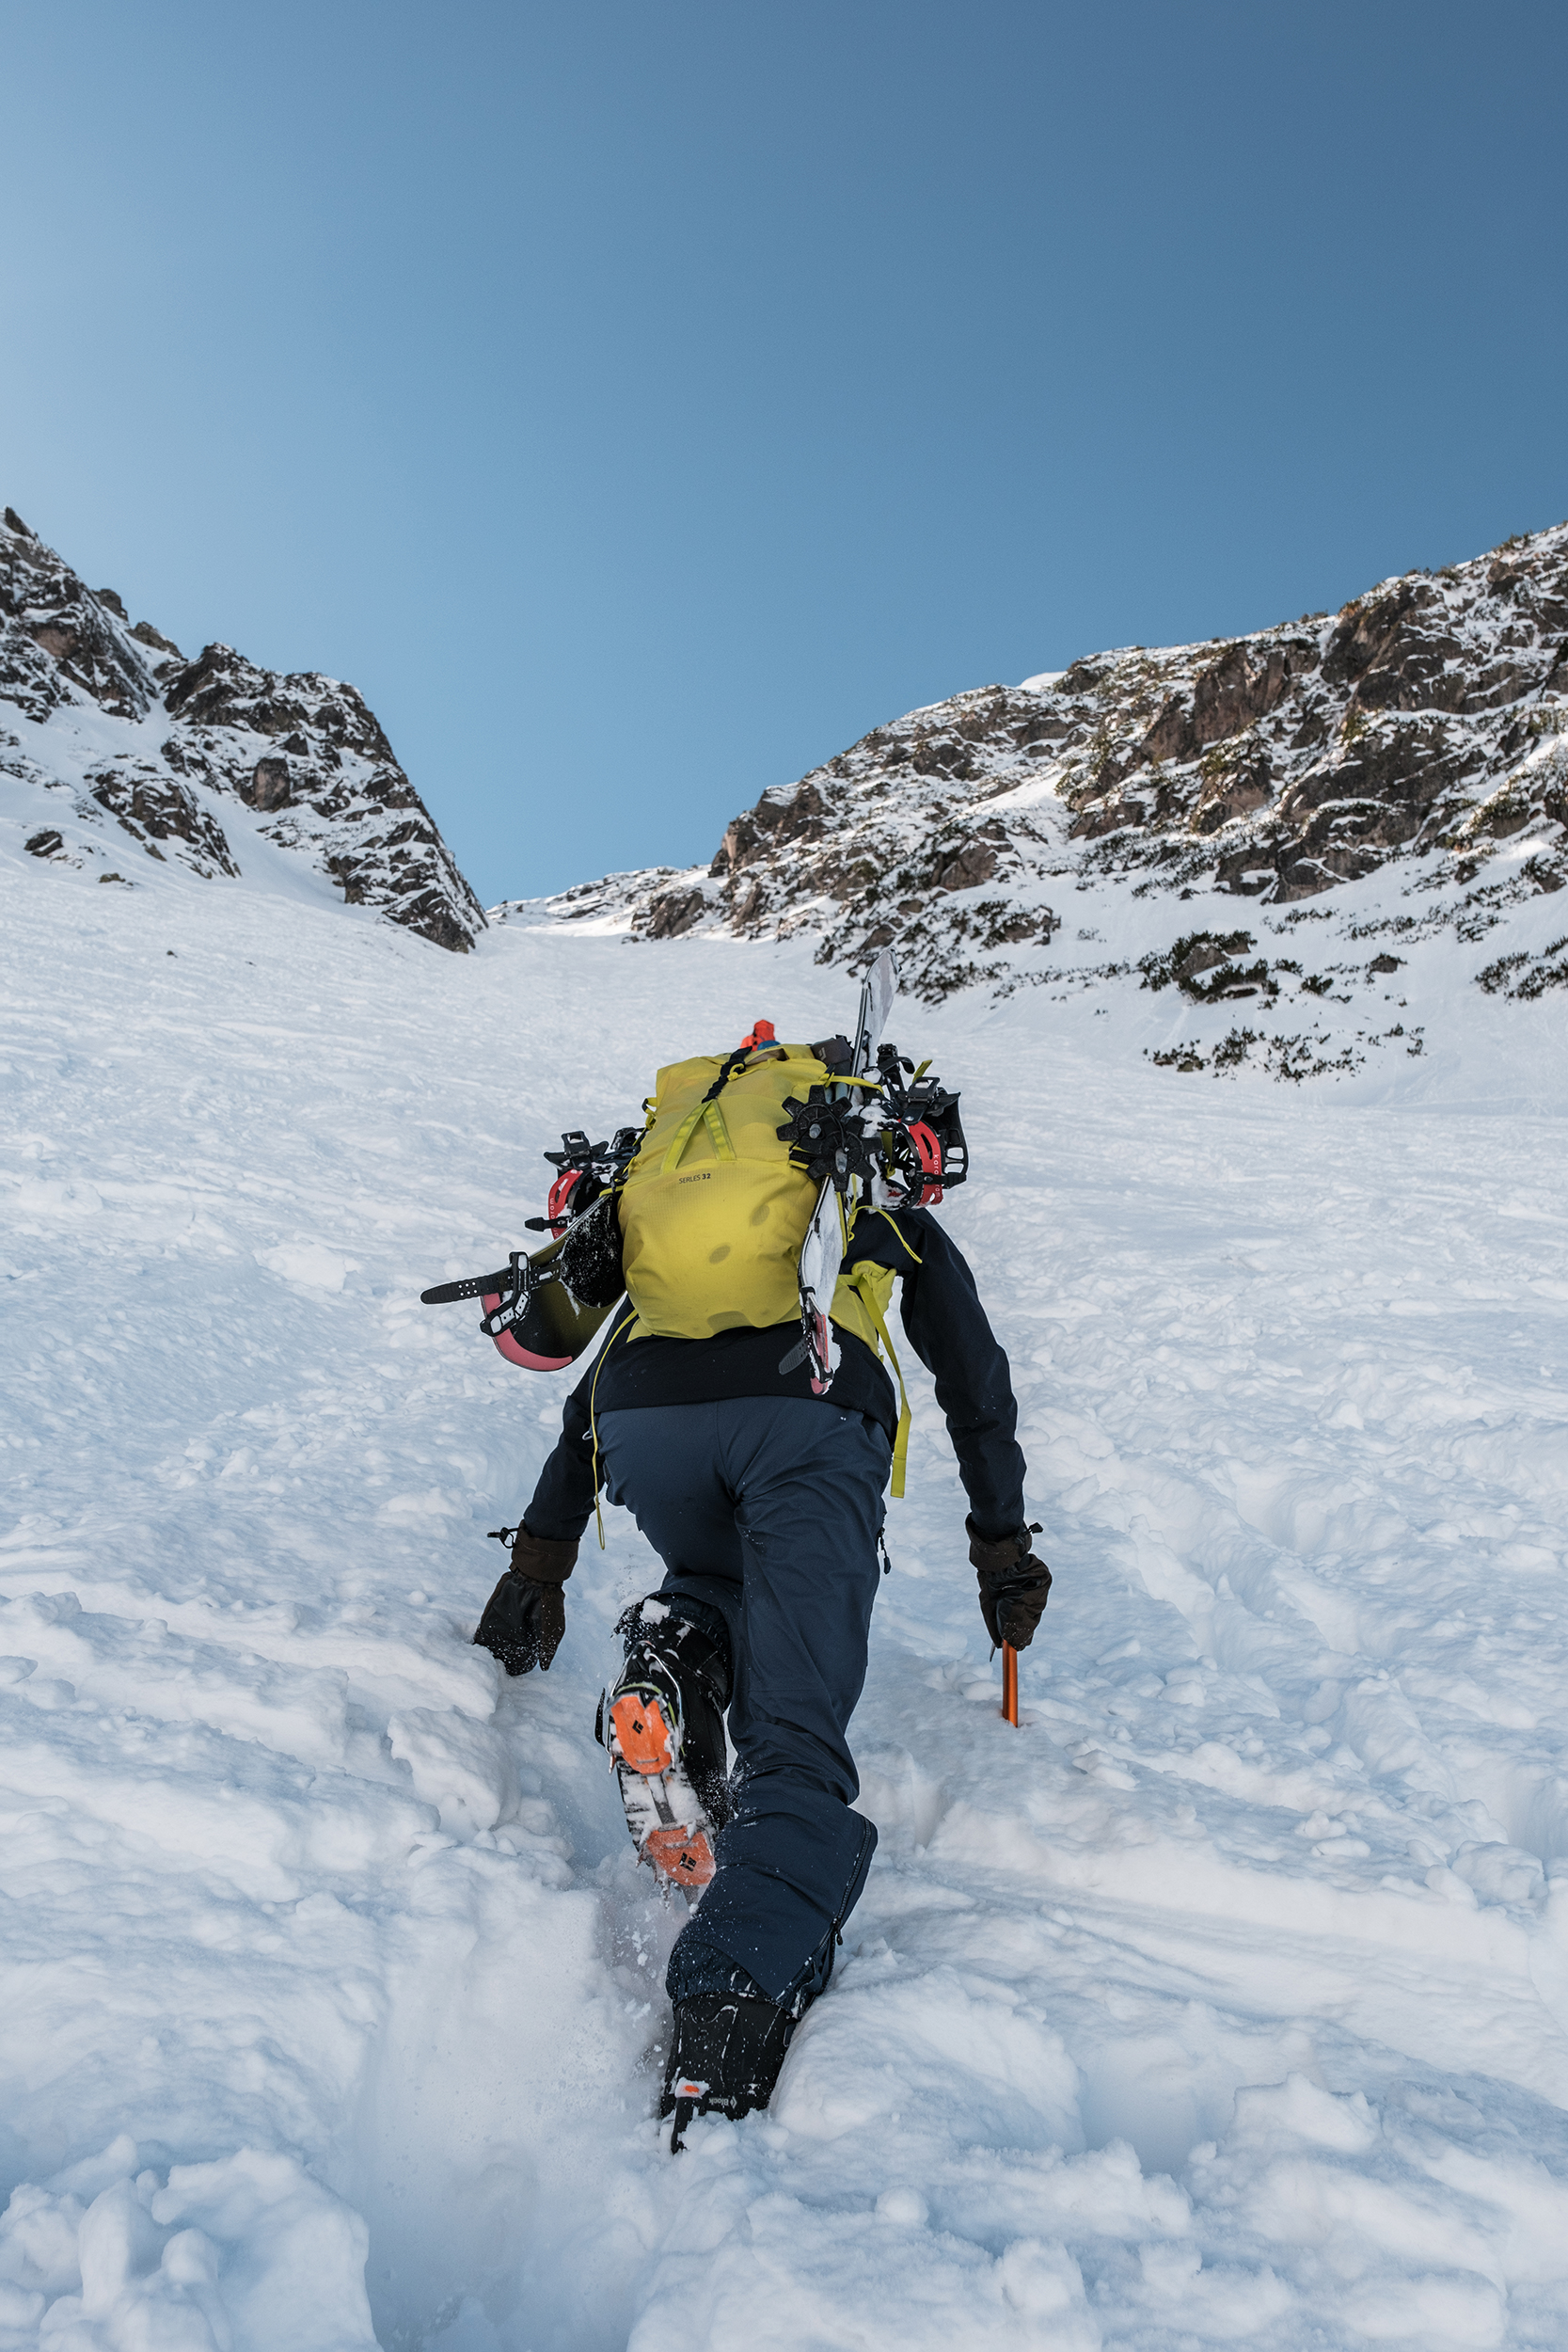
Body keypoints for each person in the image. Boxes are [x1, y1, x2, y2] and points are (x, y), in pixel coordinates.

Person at [472, 1026, 1051, 2149]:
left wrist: (534, 1566)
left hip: (643, 1424)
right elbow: (977, 1388)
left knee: (712, 1572)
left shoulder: (665, 1228)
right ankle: (730, 2003)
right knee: (795, 1732)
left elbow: (588, 1395)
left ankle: (676, 1653)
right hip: (807, 1419)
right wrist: (1001, 1551)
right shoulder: (867, 1212)